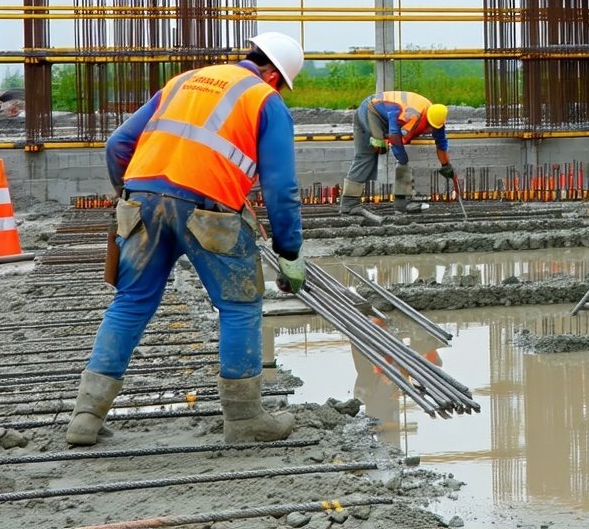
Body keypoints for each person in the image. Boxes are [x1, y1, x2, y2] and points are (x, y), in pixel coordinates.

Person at [65, 32, 309, 447]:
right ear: (273, 76)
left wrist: (131, 195)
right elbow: (281, 187)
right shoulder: (263, 100)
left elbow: (118, 144)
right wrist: (289, 250)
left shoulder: (184, 81)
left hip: (140, 202)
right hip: (206, 213)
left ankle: (86, 417)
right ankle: (246, 418)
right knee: (239, 304)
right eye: (283, 86)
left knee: (131, 302)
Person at [339, 90, 454, 214]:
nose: (430, 130)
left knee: (379, 155)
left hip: (386, 114)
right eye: (429, 126)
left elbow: (441, 141)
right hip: (370, 110)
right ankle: (349, 203)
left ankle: (401, 202)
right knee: (369, 154)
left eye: (434, 127)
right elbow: (395, 137)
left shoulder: (436, 116)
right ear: (426, 117)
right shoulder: (411, 115)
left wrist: (446, 165)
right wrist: (402, 158)